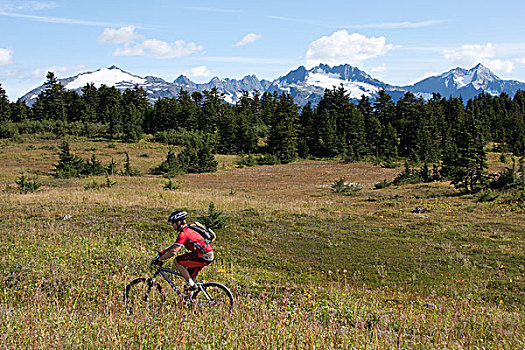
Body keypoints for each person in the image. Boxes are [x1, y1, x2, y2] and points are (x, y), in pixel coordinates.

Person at [152, 210, 214, 291]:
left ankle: (192, 286)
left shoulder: (184, 233)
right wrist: (163, 252)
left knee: (177, 261)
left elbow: (173, 251)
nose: (172, 225)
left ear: (178, 222)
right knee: (188, 281)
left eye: (172, 223)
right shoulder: (188, 229)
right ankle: (189, 299)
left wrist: (159, 259)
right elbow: (174, 246)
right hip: (205, 255)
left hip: (204, 256)